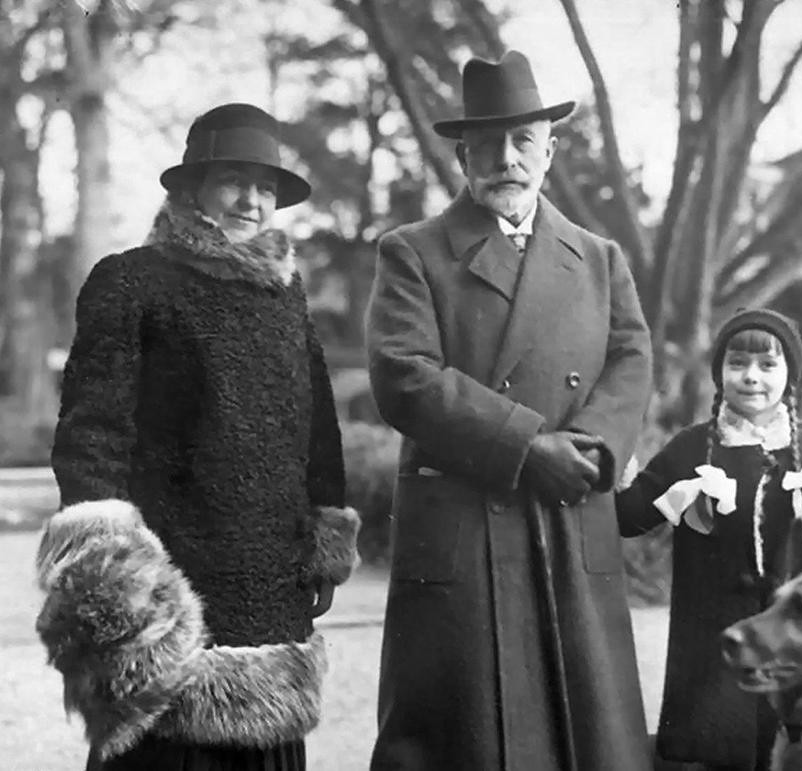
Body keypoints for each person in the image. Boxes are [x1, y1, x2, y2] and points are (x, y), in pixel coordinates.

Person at [34, 103, 361, 771]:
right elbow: (91, 436)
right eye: (235, 180)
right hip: (168, 597)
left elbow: (318, 429)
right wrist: (118, 589)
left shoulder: (286, 298)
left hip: (270, 593)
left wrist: (322, 544)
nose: (252, 200)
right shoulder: (131, 282)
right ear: (192, 190)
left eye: (267, 187)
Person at [366, 51, 654, 771]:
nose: (506, 159)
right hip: (467, 523)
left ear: (549, 152)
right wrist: (528, 447)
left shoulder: (597, 257)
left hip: (569, 512)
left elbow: (631, 357)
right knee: (468, 737)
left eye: (523, 141)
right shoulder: (413, 252)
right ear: (463, 155)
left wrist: (588, 445)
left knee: (586, 736)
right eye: (488, 144)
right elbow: (403, 375)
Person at [615, 308, 802, 771]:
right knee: (717, 748)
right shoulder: (690, 448)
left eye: (768, 365)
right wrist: (618, 469)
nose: (751, 377)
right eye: (737, 364)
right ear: (720, 373)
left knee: (790, 748)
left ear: (789, 377)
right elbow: (630, 518)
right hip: (710, 642)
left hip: (790, 643)